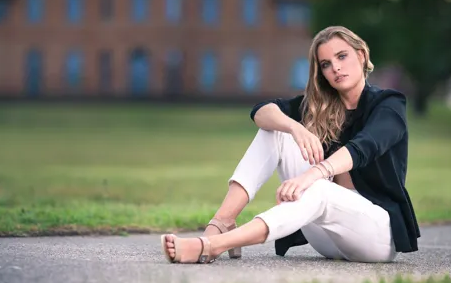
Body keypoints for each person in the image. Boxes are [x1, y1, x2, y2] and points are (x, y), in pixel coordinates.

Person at [160, 26, 420, 264]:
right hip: (327, 239)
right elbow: (261, 112)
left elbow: (365, 146)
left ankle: (211, 245)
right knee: (276, 131)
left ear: (361, 56)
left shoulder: (389, 104)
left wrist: (313, 174)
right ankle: (223, 221)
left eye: (342, 57)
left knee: (318, 188)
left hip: (375, 236)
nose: (336, 68)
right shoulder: (320, 107)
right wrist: (294, 127)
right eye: (326, 64)